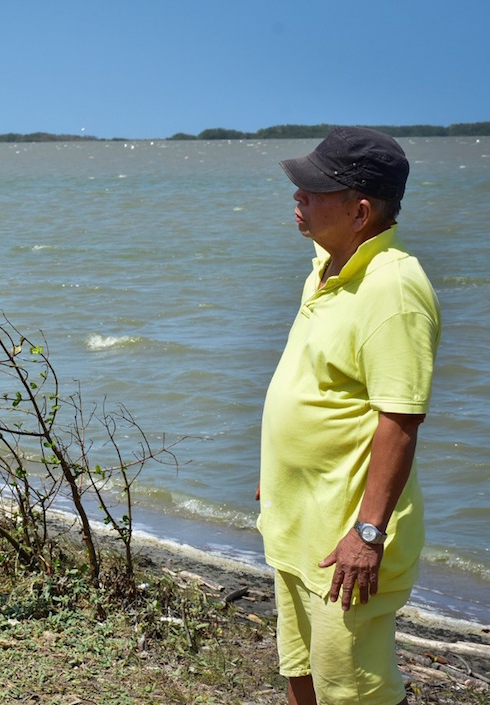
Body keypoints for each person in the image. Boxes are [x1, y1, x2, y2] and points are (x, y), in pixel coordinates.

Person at [257, 127, 441, 705]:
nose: (298, 199)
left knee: (354, 692)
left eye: (312, 191)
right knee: (300, 670)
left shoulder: (394, 290)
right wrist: (279, 472)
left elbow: (400, 419)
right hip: (295, 522)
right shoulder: (329, 266)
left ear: (360, 211)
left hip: (346, 542)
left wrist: (368, 533)